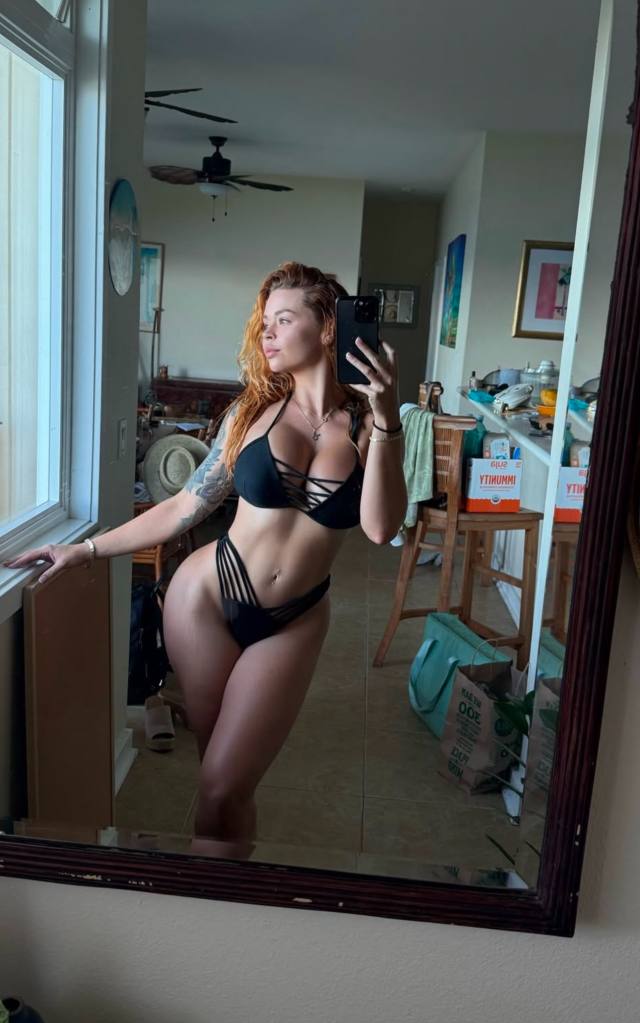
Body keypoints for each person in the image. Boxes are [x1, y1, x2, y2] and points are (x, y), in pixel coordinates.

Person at [5, 261, 407, 852]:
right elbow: (184, 508)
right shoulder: (251, 413)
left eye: (283, 320)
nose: (266, 333)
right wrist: (86, 549)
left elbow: (380, 528)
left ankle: (212, 891)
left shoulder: (373, 424)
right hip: (207, 600)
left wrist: (390, 415)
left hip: (295, 617)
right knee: (221, 784)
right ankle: (220, 890)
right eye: (264, 321)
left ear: (328, 327)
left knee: (224, 785)